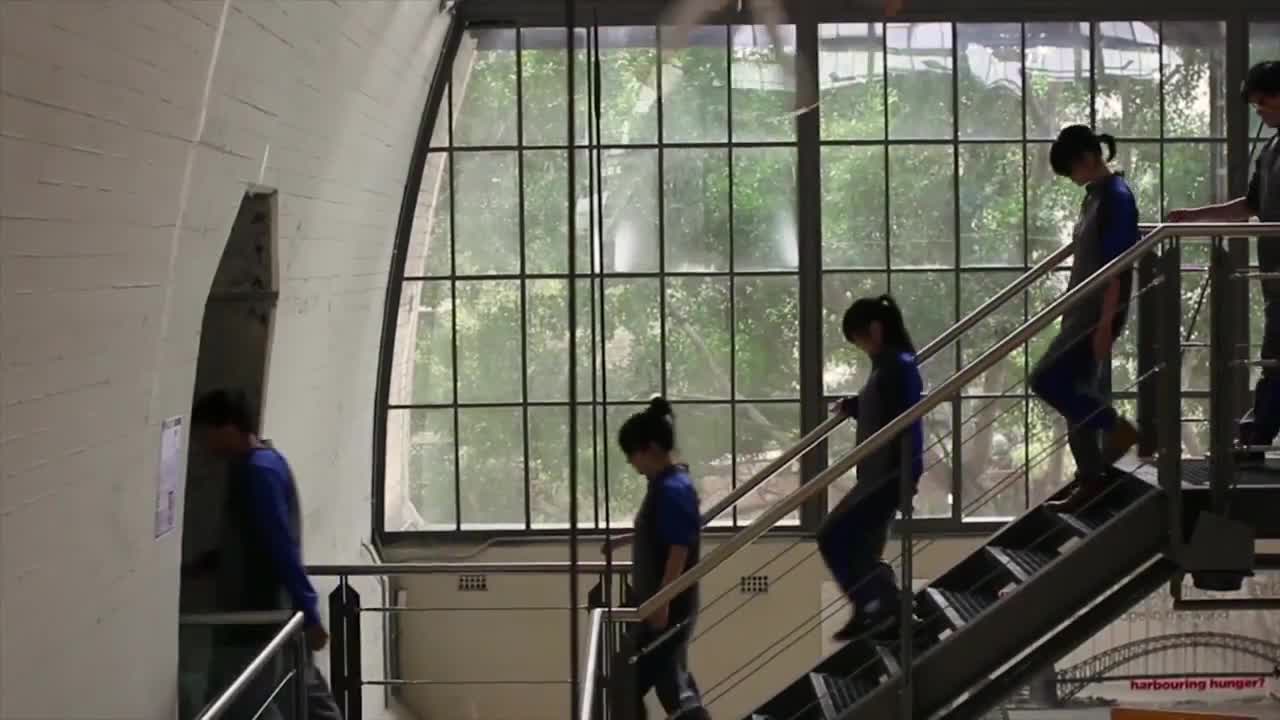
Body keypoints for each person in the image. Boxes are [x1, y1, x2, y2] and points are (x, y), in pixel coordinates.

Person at [188, 388, 342, 720]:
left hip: (260, 616)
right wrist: (211, 562)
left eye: (205, 435)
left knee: (247, 700)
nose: (203, 445)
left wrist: (310, 612)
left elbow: (280, 546)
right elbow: (258, 539)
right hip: (273, 611)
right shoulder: (268, 462)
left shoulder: (257, 473)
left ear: (227, 427)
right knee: (304, 692)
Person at [1168, 61, 1280, 463]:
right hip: (1274, 278)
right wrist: (1194, 217)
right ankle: (1253, 436)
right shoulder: (1270, 150)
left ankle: (1254, 437)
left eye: (1263, 102)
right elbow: (1250, 205)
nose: (1260, 112)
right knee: (1274, 361)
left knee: (1274, 363)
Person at [1029, 125, 1141, 513]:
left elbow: (1118, 268)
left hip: (1097, 310)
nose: (1072, 179)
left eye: (1071, 169)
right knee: (1075, 393)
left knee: (1046, 379)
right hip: (1082, 307)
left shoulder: (1117, 198)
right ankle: (1091, 477)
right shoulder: (1094, 197)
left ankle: (1118, 429)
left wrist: (1107, 323)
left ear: (1088, 159)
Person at [819, 295, 924, 642]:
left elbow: (904, 421)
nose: (861, 348)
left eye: (859, 340)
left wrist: (906, 478)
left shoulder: (897, 365)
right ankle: (882, 606)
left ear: (875, 330)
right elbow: (883, 410)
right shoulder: (889, 365)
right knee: (859, 548)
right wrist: (854, 406)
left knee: (833, 536)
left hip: (888, 475)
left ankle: (879, 604)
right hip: (881, 474)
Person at [612, 397, 711, 720]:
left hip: (667, 610)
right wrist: (629, 539)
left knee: (633, 686)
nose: (632, 463)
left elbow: (679, 545)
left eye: (633, 455)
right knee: (671, 688)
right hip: (662, 607)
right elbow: (664, 532)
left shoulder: (673, 488)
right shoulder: (665, 485)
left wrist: (663, 603)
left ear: (650, 448)